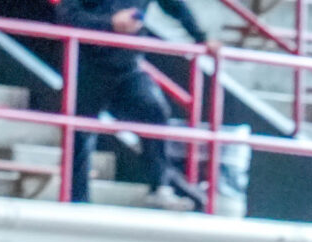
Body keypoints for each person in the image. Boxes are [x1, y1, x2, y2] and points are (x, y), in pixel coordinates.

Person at [58, 0, 206, 210]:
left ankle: (159, 188)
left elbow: (174, 5)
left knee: (154, 112)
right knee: (80, 133)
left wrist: (201, 37)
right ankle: (76, 200)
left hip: (127, 66)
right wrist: (109, 24)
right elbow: (67, 15)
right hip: (88, 66)